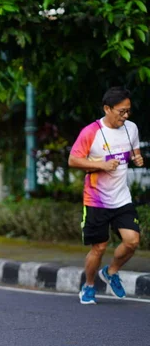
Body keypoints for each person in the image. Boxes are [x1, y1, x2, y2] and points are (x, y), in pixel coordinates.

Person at [68, 87, 144, 305]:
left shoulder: (131, 128)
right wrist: (100, 164)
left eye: (128, 111)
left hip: (122, 198)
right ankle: (89, 286)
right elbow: (73, 160)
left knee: (132, 241)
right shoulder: (91, 132)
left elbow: (134, 152)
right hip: (96, 200)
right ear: (107, 109)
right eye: (121, 111)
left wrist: (137, 159)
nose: (126, 116)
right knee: (99, 247)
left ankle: (111, 272)